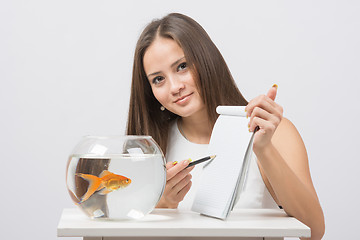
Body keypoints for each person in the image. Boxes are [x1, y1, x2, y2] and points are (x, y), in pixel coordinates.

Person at [126, 13, 325, 240]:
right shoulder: (150, 149)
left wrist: (263, 149)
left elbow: (313, 230)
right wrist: (164, 205)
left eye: (182, 66)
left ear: (206, 60)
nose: (174, 87)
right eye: (158, 79)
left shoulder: (271, 131)